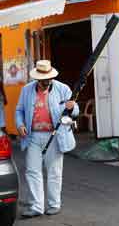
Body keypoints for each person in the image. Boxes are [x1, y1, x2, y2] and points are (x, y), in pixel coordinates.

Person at [16, 60, 79, 218]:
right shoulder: (26, 90)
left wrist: (72, 108)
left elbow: (75, 110)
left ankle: (54, 204)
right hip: (33, 136)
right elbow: (19, 110)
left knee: (54, 172)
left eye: (48, 80)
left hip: (55, 135)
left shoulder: (63, 89)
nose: (46, 83)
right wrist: (20, 124)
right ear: (37, 79)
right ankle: (36, 206)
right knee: (32, 171)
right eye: (43, 81)